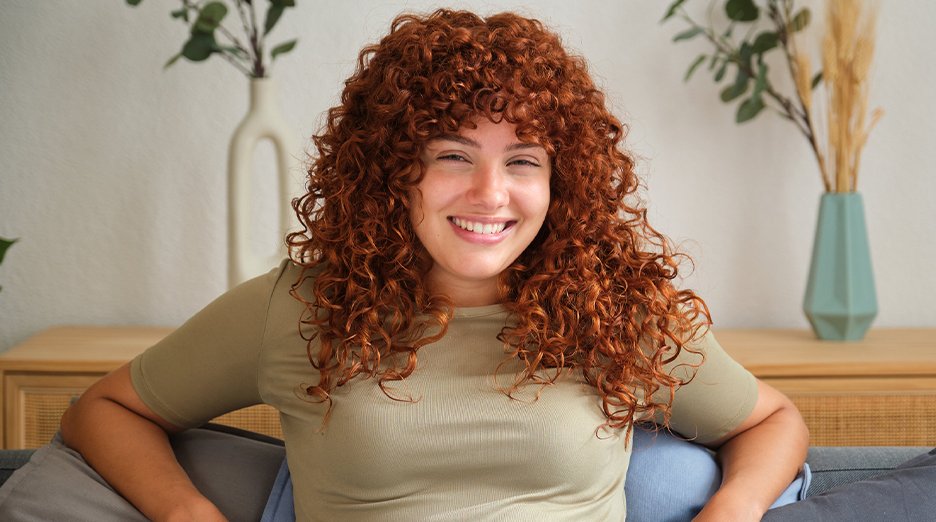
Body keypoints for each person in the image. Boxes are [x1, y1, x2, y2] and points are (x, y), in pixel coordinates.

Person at [60, 9, 808, 521]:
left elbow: (773, 420)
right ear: (393, 169)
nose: (491, 193)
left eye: (522, 160)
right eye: (453, 155)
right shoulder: (298, 309)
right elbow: (106, 408)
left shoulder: (611, 312)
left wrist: (732, 508)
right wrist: (187, 512)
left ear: (560, 181)